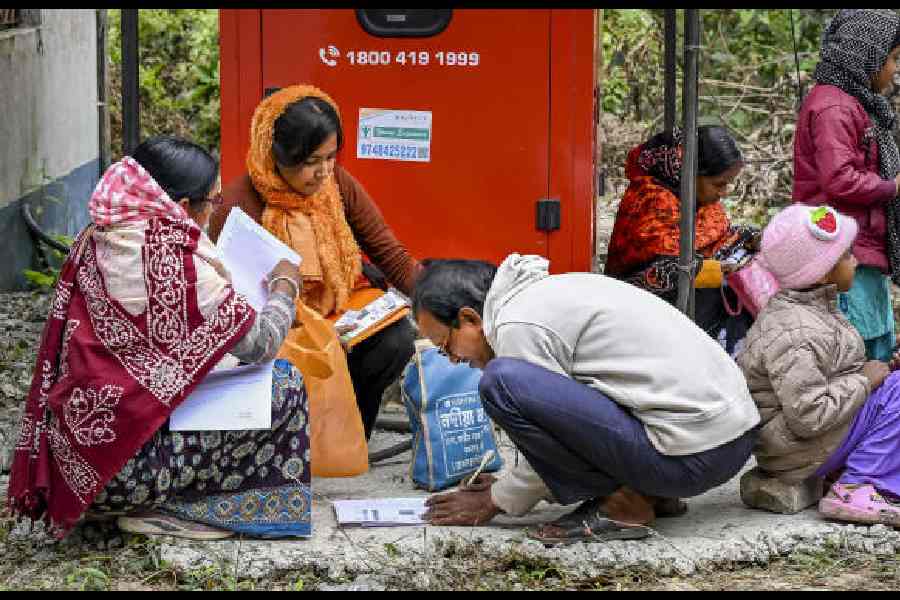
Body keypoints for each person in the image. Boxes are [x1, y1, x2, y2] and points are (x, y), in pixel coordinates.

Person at [7, 136, 312, 541]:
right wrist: (284, 288)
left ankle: (141, 499)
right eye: (212, 202)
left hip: (78, 461)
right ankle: (177, 508)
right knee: (285, 387)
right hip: (123, 472)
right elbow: (260, 343)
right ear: (183, 208)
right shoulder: (172, 263)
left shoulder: (102, 232)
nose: (213, 211)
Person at [412, 254, 760, 544]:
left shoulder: (515, 326)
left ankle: (625, 505)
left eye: (446, 347)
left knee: (501, 384)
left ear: (469, 318)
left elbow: (556, 430)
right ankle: (648, 491)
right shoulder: (545, 294)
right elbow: (576, 418)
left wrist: (497, 500)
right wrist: (514, 484)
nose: (454, 359)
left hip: (692, 457)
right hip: (732, 442)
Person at [209, 84, 419, 440]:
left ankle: (349, 438)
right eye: (310, 162)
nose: (324, 172)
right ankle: (290, 442)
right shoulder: (235, 206)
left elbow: (391, 256)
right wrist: (304, 328)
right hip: (277, 325)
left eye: (330, 157)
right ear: (275, 154)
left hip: (335, 310)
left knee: (395, 339)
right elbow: (227, 304)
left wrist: (442, 301)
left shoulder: (335, 183)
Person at [738, 204, 900, 527]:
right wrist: (865, 382)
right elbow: (809, 414)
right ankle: (858, 485)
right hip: (797, 448)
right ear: (823, 271)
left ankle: (856, 471)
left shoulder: (814, 311)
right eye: (847, 255)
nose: (856, 261)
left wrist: (878, 372)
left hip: (804, 442)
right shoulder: (795, 331)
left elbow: (830, 376)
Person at [793, 9, 900, 362]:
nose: (895, 70)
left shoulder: (854, 103)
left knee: (876, 338)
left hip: (861, 245)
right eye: (893, 59)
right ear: (868, 56)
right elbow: (839, 178)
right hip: (840, 248)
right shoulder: (833, 107)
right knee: (856, 345)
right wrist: (892, 187)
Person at [605, 126, 759, 355]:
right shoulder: (651, 202)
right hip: (643, 318)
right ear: (690, 173)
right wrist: (715, 271)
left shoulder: (696, 198)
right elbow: (655, 274)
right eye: (719, 184)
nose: (724, 192)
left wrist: (749, 238)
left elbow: (718, 236)